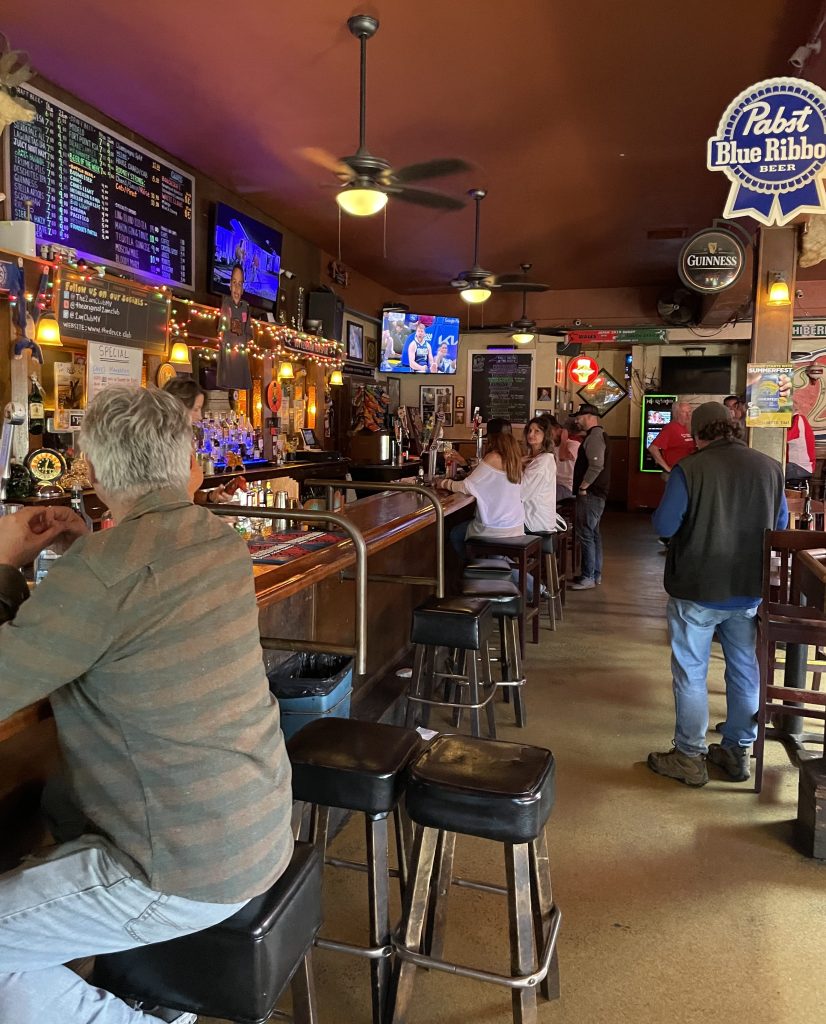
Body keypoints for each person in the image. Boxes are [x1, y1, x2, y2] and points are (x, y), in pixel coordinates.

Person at [0, 385, 293, 1023]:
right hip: (257, 829)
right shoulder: (217, 539)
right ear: (191, 461)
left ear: (97, 471)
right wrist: (84, 551)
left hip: (179, 869)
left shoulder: (103, 573)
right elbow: (139, 612)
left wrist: (3, 562)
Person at [647, 402, 788, 787]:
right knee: (744, 667)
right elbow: (780, 526)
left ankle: (689, 756)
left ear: (698, 434)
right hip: (747, 588)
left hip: (697, 585)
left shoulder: (690, 469)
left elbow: (665, 523)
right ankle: (736, 749)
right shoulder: (769, 467)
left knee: (691, 671)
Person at [437, 428, 524, 554]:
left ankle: (478, 569)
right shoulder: (514, 462)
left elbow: (465, 486)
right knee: (498, 558)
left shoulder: (493, 457)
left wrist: (443, 483)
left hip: (494, 528)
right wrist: (463, 462)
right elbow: (479, 478)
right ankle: (494, 564)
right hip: (516, 526)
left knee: (456, 534)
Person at [162, 377, 232, 505]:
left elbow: (186, 495)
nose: (199, 416)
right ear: (176, 407)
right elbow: (165, 501)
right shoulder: (161, 446)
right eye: (195, 409)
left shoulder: (184, 442)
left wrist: (209, 497)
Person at [569, 403, 610, 590]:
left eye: (578, 416)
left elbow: (596, 465)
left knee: (586, 534)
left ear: (588, 416)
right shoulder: (597, 435)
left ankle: (588, 577)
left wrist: (583, 487)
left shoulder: (594, 437)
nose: (576, 420)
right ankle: (595, 574)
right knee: (593, 534)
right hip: (597, 494)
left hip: (591, 494)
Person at [217, 263, 254, 391]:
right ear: (230, 285)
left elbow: (248, 333)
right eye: (234, 283)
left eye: (240, 284)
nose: (236, 288)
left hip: (241, 356)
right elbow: (222, 329)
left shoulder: (246, 307)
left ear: (243, 288)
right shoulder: (225, 303)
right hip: (228, 355)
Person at [521, 416, 557, 536]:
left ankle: (503, 554)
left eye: (537, 431)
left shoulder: (543, 460)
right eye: (530, 430)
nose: (531, 434)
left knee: (494, 525)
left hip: (534, 520)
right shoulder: (535, 458)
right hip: (534, 516)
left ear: (545, 435)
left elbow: (522, 493)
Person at [647, 400, 696, 475]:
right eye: (684, 412)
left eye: (689, 412)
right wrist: (668, 469)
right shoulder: (670, 428)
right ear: (676, 413)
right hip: (675, 473)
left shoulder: (686, 428)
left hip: (686, 472)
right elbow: (653, 448)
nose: (688, 415)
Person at [785, 401, 816, 486]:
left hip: (801, 467)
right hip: (796, 466)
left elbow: (785, 438)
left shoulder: (799, 420)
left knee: (771, 471)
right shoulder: (796, 420)